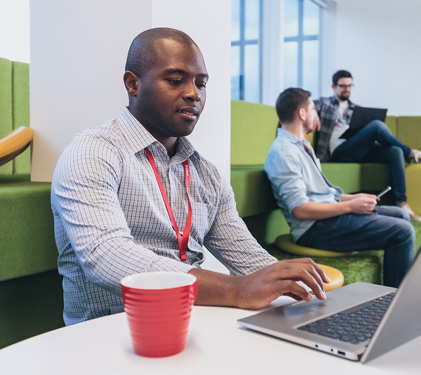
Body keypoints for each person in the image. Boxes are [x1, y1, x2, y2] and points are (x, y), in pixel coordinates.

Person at [51, 28, 329, 325]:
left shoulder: (206, 174)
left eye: (201, 84)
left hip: (195, 325)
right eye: (175, 81)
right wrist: (237, 289)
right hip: (112, 333)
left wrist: (295, 288)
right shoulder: (92, 152)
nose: (194, 94)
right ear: (133, 84)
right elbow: (105, 257)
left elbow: (250, 261)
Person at [265, 87, 415, 288]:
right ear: (302, 113)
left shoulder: (302, 145)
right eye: (313, 109)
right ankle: (394, 302)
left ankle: (397, 288)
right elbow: (300, 210)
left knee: (401, 215)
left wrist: (352, 198)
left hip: (328, 218)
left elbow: (319, 193)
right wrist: (351, 207)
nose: (316, 114)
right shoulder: (283, 152)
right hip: (314, 229)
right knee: (403, 231)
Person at [314, 70, 421, 222]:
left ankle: (400, 202)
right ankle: (412, 154)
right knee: (377, 126)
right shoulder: (324, 104)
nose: (347, 89)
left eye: (350, 85)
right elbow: (306, 106)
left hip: (356, 149)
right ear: (333, 86)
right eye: (342, 86)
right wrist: (314, 114)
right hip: (338, 153)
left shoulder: (356, 109)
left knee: (395, 151)